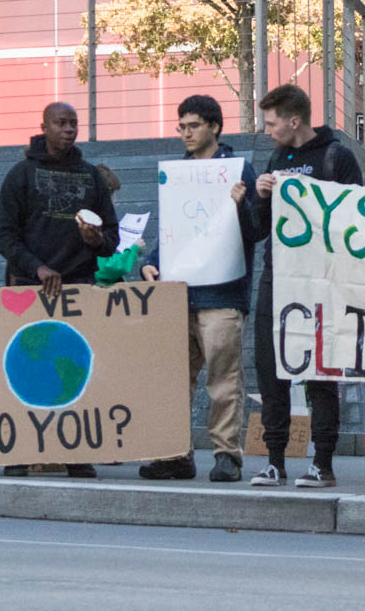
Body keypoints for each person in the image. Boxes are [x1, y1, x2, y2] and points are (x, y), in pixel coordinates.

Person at [139, 95, 262, 483]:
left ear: (214, 126)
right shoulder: (178, 172)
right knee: (175, 377)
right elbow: (173, 228)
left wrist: (242, 205)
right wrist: (151, 260)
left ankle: (227, 455)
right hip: (179, 292)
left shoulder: (239, 169)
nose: (185, 133)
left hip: (222, 293)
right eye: (181, 127)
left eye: (193, 125)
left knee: (224, 379)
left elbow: (258, 229)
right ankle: (176, 454)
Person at [0, 102, 118, 478]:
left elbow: (112, 238)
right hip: (29, 289)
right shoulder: (22, 174)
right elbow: (2, 235)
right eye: (60, 124)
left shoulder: (92, 177)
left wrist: (95, 241)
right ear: (43, 127)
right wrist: (37, 266)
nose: (69, 130)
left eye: (73, 124)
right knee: (26, 368)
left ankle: (75, 453)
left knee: (74, 370)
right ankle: (19, 453)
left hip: (78, 288)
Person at [251, 84, 363, 488]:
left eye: (271, 122)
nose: (267, 130)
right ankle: (275, 460)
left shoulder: (337, 157)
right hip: (277, 279)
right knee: (270, 372)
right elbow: (258, 230)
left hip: (319, 282)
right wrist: (256, 198)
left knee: (320, 374)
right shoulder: (277, 157)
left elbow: (357, 221)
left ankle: (323, 463)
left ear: (294, 121)